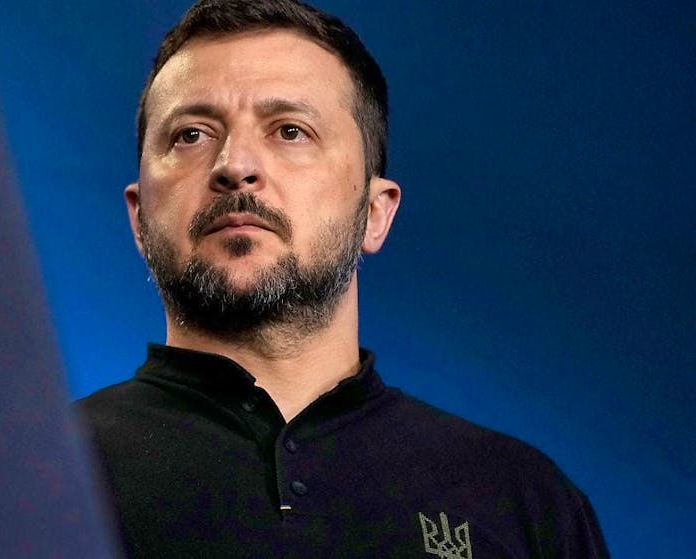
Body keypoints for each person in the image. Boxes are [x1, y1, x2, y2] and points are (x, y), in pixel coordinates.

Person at [79, 1, 609, 557]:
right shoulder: (24, 482)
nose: (235, 164)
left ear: (375, 213)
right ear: (139, 218)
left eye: (290, 130)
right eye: (191, 134)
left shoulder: (525, 503)